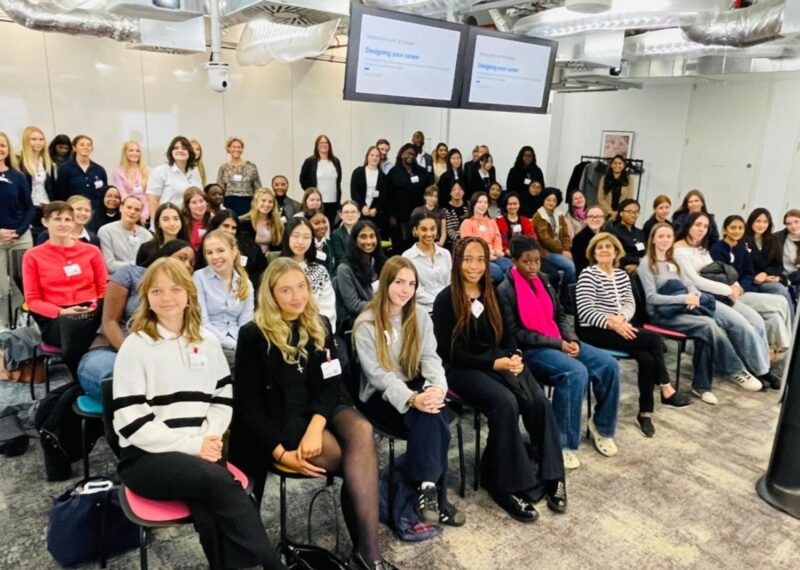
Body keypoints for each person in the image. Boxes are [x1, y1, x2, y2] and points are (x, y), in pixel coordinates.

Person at [111, 257, 282, 570]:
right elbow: (132, 421)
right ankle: (271, 565)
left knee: (209, 506)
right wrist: (194, 445)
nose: (167, 298)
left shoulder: (207, 342)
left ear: (189, 294)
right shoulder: (135, 346)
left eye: (175, 289)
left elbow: (222, 398)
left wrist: (209, 437)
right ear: (146, 297)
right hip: (146, 458)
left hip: (204, 447)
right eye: (157, 291)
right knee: (218, 482)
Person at [229, 258, 397, 570]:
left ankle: (368, 554)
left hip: (322, 407)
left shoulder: (319, 323)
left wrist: (317, 425)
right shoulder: (253, 334)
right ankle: (368, 556)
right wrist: (280, 453)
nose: (296, 296)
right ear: (271, 294)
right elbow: (247, 407)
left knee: (361, 430)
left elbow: (332, 383)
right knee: (355, 462)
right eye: (286, 290)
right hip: (283, 420)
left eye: (301, 287)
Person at [433, 237, 566, 521]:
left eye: (481, 259)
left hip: (500, 360)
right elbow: (451, 353)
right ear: (457, 261)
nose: (475, 266)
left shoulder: (491, 292)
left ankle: (553, 474)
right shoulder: (446, 299)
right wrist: (495, 363)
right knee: (506, 403)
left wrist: (516, 357)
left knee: (538, 401)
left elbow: (508, 336)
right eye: (468, 259)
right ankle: (506, 486)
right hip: (462, 369)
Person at [354, 256, 465, 528]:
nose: (405, 289)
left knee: (432, 412)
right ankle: (438, 497)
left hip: (414, 384)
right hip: (380, 396)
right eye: (399, 282)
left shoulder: (418, 317)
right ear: (385, 283)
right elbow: (378, 376)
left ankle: (427, 490)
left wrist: (437, 388)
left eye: (412, 283)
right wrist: (412, 399)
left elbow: (430, 358)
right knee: (432, 418)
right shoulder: (366, 323)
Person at [497, 236, 620, 470]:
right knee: (575, 372)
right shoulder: (505, 290)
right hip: (532, 350)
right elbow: (515, 333)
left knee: (609, 364)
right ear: (513, 261)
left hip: (558, 340)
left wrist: (570, 338)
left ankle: (601, 427)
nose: (533, 267)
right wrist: (557, 343)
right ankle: (560, 443)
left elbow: (561, 315)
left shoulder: (544, 280)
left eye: (537, 261)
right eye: (526, 262)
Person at [576, 232, 691, 437]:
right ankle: (666, 387)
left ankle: (645, 413)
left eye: (608, 247)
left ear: (616, 252)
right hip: (594, 330)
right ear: (593, 252)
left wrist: (621, 318)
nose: (604, 250)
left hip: (621, 325)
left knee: (647, 358)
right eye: (599, 247)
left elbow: (630, 303)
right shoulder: (588, 274)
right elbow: (585, 311)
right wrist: (611, 323)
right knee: (653, 339)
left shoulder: (621, 275)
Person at [638, 222, 765, 405]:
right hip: (662, 314)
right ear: (653, 239)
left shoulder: (673, 260)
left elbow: (688, 284)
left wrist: (693, 296)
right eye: (661, 236)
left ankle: (701, 386)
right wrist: (683, 300)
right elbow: (651, 299)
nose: (665, 240)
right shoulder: (646, 264)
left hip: (683, 306)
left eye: (668, 236)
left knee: (707, 327)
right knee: (707, 325)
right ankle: (735, 370)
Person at [77, 239, 195, 399]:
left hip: (156, 357)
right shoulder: (130, 274)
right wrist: (135, 356)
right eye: (182, 258)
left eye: (192, 263)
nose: (187, 265)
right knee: (126, 377)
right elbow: (109, 322)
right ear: (164, 256)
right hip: (111, 351)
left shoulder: (182, 293)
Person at [673, 212, 773, 389]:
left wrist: (736, 286)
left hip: (719, 293)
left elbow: (719, 271)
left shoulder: (701, 249)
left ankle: (763, 365)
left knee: (756, 320)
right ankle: (760, 371)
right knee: (742, 325)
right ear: (688, 225)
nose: (701, 229)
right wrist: (728, 290)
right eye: (698, 225)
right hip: (701, 297)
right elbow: (696, 280)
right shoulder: (679, 250)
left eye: (705, 226)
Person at [711, 215, 792, 379]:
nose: (737, 231)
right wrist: (733, 288)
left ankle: (779, 354)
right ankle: (773, 359)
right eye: (733, 227)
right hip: (727, 296)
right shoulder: (717, 249)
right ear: (725, 229)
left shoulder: (742, 249)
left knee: (775, 316)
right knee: (780, 302)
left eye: (740, 228)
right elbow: (719, 275)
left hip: (742, 292)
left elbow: (750, 275)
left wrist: (740, 287)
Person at [22, 201, 107, 347]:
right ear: (45, 222)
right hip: (56, 316)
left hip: (90, 311)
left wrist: (93, 307)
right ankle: (81, 368)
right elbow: (32, 300)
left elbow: (104, 288)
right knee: (73, 328)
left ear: (74, 223)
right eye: (57, 219)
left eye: (68, 219)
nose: (63, 224)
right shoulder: (32, 256)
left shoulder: (92, 251)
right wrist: (62, 312)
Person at [193, 229, 253, 370]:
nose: (215, 257)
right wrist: (236, 346)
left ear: (233, 252)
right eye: (209, 253)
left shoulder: (246, 283)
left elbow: (246, 325)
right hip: (209, 341)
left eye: (220, 250)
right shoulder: (199, 278)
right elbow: (203, 323)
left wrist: (242, 345)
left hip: (238, 342)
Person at [0, 132, 35, 330]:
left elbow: (29, 208)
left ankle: (21, 322)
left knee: (22, 283)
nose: (0, 149)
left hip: (20, 237)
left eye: (3, 145)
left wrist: (18, 231)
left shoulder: (18, 177)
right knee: (2, 287)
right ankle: (4, 323)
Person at [281, 218, 337, 332]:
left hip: (313, 331)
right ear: (288, 237)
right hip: (281, 331)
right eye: (296, 236)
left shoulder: (320, 271)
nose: (300, 241)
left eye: (306, 237)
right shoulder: (276, 270)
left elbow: (327, 310)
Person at [195, 210, 267, 289]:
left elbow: (260, 267)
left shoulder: (248, 243)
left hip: (245, 286)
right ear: (216, 226)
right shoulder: (206, 244)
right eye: (226, 226)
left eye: (233, 228)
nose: (230, 231)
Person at [336, 220, 386, 329]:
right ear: (354, 240)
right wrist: (383, 306)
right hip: (361, 322)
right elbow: (354, 305)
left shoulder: (381, 262)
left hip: (385, 316)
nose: (368, 241)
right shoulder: (344, 269)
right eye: (363, 237)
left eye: (372, 236)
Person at [744, 207, 795, 310]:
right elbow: (742, 266)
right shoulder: (743, 239)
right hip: (750, 281)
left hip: (767, 278)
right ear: (751, 222)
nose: (761, 225)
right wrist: (759, 277)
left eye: (765, 222)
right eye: (758, 221)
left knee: (784, 291)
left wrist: (766, 274)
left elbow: (777, 265)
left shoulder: (773, 240)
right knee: (780, 290)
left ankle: (791, 325)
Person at [403, 211, 452, 314]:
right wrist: (440, 302)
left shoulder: (446, 254)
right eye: (424, 229)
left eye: (432, 229)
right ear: (415, 231)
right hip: (423, 312)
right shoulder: (407, 257)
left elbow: (451, 283)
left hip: (448, 308)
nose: (429, 234)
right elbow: (414, 291)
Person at [459, 192, 512, 283]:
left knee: (511, 267)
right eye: (480, 202)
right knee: (498, 273)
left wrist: (497, 251)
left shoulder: (491, 222)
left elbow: (497, 238)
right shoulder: (467, 223)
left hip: (495, 255)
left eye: (485, 202)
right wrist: (487, 255)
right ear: (473, 204)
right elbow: (470, 246)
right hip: (479, 258)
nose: (483, 205)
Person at [532, 187, 577, 288]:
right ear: (543, 200)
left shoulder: (559, 214)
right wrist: (562, 251)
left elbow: (565, 235)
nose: (551, 203)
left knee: (579, 262)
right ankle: (566, 295)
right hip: (546, 251)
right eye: (548, 200)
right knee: (571, 267)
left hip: (561, 249)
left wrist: (566, 249)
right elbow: (545, 239)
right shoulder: (539, 216)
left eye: (554, 200)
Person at [146, 136, 202, 214]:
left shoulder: (194, 171)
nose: (180, 150)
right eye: (176, 148)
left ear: (189, 152)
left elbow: (200, 196)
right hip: (168, 221)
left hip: (191, 221)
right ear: (171, 151)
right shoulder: (160, 171)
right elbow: (153, 200)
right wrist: (156, 224)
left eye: (184, 148)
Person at [17, 126, 56, 239]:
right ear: (26, 141)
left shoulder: (47, 162)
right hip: (28, 208)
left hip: (46, 208)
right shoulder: (18, 161)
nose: (38, 142)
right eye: (34, 139)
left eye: (41, 139)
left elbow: (52, 188)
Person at [387, 143, 427, 250]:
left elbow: (426, 191)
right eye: (408, 153)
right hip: (399, 217)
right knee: (401, 246)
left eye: (414, 154)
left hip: (418, 215)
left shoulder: (422, 172)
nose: (411, 156)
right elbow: (388, 195)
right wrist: (391, 216)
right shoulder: (393, 173)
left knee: (416, 244)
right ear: (401, 154)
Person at [98, 196, 153, 273]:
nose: (132, 212)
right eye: (129, 207)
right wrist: (138, 265)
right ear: (121, 208)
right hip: (117, 279)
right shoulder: (106, 231)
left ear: (141, 213)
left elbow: (150, 264)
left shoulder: (147, 235)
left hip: (141, 278)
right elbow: (110, 265)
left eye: (137, 210)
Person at [299, 135, 342, 227]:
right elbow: (302, 180)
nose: (324, 145)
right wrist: (311, 194)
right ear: (316, 145)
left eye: (326, 143)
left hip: (333, 202)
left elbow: (338, 181)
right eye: (321, 143)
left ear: (329, 145)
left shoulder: (335, 161)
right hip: (317, 203)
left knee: (330, 226)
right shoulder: (310, 161)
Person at [55, 135, 107, 208]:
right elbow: (60, 194)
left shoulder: (99, 170)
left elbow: (104, 193)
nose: (86, 147)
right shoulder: (65, 169)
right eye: (82, 145)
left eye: (89, 145)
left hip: (96, 212)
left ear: (92, 148)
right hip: (73, 211)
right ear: (74, 148)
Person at [215, 137, 261, 215]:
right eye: (234, 147)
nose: (236, 149)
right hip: (229, 203)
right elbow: (220, 189)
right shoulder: (223, 168)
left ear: (242, 149)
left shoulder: (251, 166)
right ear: (228, 149)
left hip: (247, 202)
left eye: (239, 147)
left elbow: (258, 187)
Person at [350, 147, 388, 233]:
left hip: (375, 214)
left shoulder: (383, 177)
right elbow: (354, 192)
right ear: (367, 156)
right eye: (372, 155)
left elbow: (384, 196)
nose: (374, 158)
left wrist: (376, 208)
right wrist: (362, 206)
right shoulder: (358, 172)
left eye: (377, 156)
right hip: (360, 211)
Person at [239, 187, 284, 255]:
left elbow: (279, 247)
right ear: (256, 202)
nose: (266, 204)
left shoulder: (277, 223)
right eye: (263, 200)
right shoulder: (243, 222)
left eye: (270, 202)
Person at [606, 198, 646, 273]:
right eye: (629, 212)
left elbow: (644, 252)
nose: (633, 215)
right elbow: (617, 255)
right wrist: (637, 260)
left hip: (640, 267)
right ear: (621, 213)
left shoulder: (639, 232)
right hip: (621, 268)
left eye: (636, 212)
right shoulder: (613, 232)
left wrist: (638, 264)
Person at [112, 141, 149, 222]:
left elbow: (149, 194)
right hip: (128, 209)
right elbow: (123, 194)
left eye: (137, 151)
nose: (135, 153)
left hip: (146, 209)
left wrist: (144, 213)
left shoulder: (148, 170)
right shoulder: (118, 172)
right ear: (125, 152)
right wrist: (133, 208)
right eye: (131, 150)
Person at [506, 146, 545, 216]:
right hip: (519, 205)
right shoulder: (514, 171)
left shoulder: (537, 171)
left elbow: (542, 187)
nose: (528, 157)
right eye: (526, 155)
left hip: (534, 204)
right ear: (521, 156)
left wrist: (537, 191)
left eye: (530, 156)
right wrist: (528, 189)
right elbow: (510, 189)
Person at [496, 192, 535, 257]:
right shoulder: (499, 222)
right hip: (507, 254)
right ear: (505, 205)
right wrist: (506, 250)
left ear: (519, 205)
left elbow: (531, 238)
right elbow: (498, 240)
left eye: (515, 204)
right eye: (509, 204)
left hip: (525, 253)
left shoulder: (526, 221)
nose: (512, 206)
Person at [571, 205, 606, 276]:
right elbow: (581, 265)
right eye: (591, 217)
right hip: (589, 275)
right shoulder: (579, 238)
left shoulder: (607, 236)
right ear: (586, 219)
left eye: (599, 216)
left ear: (603, 219)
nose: (595, 219)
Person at [597, 155, 633, 220]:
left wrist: (618, 212)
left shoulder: (629, 179)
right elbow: (600, 198)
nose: (617, 165)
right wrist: (611, 212)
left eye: (620, 163)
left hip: (622, 214)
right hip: (606, 213)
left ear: (624, 165)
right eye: (615, 163)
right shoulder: (604, 178)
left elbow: (629, 198)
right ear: (611, 165)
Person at [330, 200, 361, 271]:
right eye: (346, 212)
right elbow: (340, 258)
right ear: (341, 215)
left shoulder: (365, 231)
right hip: (346, 270)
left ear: (359, 214)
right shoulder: (336, 234)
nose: (350, 215)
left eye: (353, 212)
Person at [777, 209, 800, 298]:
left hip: (793, 279)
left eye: (796, 222)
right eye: (788, 224)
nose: (793, 226)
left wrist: (790, 279)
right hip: (784, 278)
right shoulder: (778, 239)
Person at [306, 208, 335, 275]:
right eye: (317, 223)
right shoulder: (305, 245)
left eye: (324, 222)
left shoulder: (330, 243)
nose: (322, 226)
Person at [181, 187, 211, 251]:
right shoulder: (182, 223)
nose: (199, 205)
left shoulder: (213, 219)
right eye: (194, 202)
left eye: (201, 201)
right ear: (187, 205)